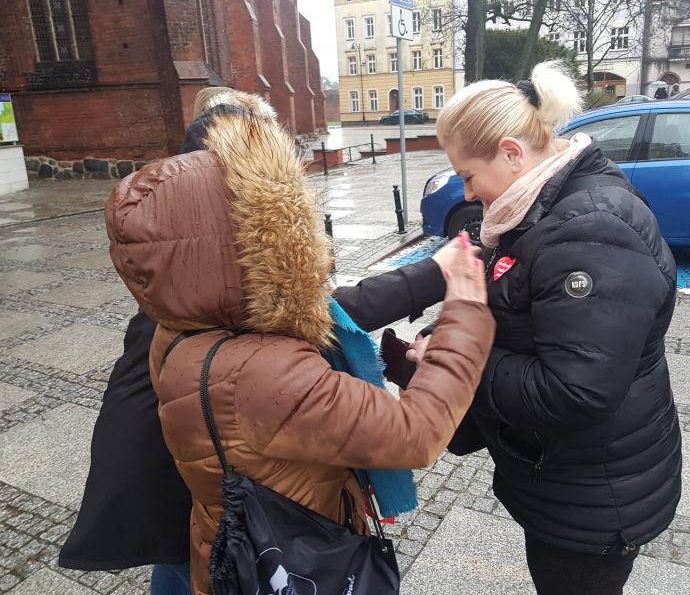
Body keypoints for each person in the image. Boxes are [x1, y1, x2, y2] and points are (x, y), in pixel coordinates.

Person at [60, 88, 473, 594]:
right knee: (181, 567)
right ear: (248, 238)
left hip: (213, 514)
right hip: (247, 531)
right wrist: (467, 316)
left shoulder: (188, 308)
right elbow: (413, 433)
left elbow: (331, 312)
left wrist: (430, 275)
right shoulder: (255, 362)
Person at [411, 61, 681, 595]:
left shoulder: (589, 229)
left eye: (468, 175)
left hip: (595, 495)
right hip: (568, 476)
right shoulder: (538, 209)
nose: (466, 193)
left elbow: (575, 390)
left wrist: (453, 359)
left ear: (512, 153)